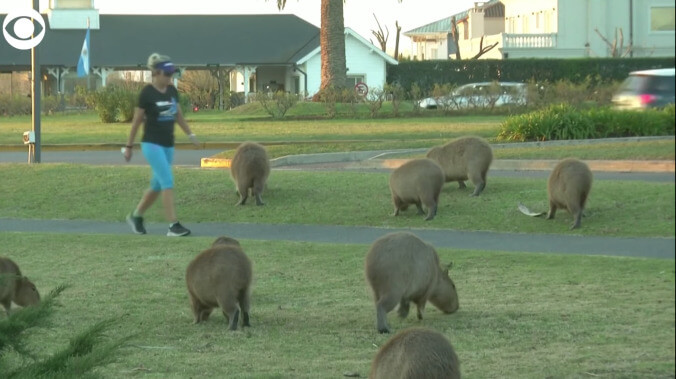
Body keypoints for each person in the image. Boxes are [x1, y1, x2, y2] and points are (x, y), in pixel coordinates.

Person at [123, 53, 199, 237]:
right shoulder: (147, 93)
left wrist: (190, 134)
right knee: (167, 181)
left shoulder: (172, 91)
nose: (169, 77)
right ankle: (173, 225)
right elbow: (136, 121)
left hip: (168, 145)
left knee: (157, 186)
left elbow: (178, 115)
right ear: (156, 73)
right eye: (166, 73)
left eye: (171, 73)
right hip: (151, 144)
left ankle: (136, 216)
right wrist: (129, 146)